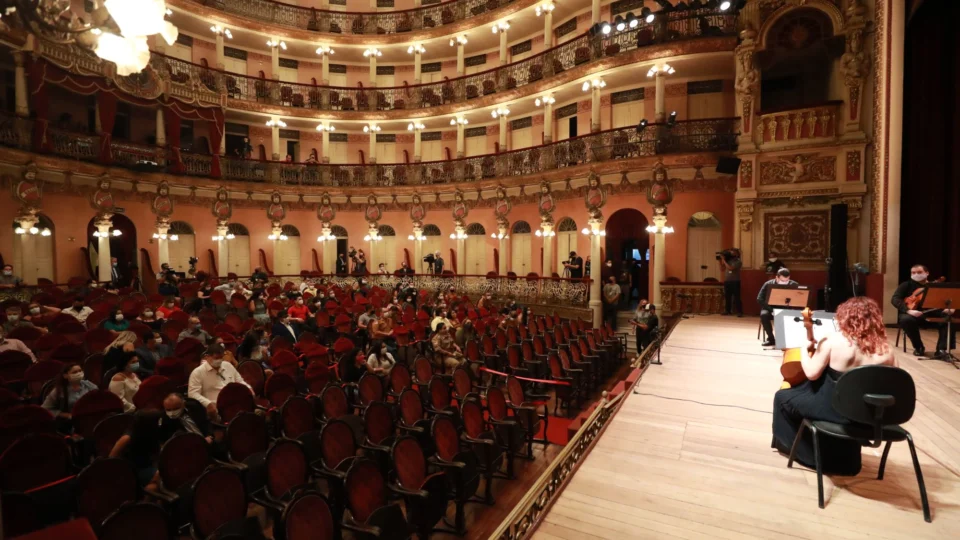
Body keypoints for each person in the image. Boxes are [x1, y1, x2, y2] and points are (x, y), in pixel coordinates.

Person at [772, 297, 897, 476]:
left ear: (844, 317)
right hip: (868, 414)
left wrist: (802, 349)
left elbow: (811, 373)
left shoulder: (833, 341)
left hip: (834, 409)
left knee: (783, 398)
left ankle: (808, 455)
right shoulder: (887, 349)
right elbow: (895, 380)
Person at [892, 264, 957, 357]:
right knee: (906, 320)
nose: (916, 274)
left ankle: (941, 350)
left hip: (934, 313)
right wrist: (908, 311)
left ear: (927, 273)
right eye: (913, 273)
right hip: (913, 314)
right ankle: (918, 347)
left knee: (950, 320)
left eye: (919, 272)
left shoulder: (936, 286)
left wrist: (951, 307)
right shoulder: (906, 285)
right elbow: (895, 299)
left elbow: (948, 299)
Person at [187, 344, 251, 420]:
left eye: (221, 358)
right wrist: (208, 403)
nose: (219, 360)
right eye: (216, 358)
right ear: (207, 357)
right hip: (216, 409)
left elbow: (240, 381)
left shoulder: (228, 365)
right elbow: (192, 394)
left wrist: (249, 388)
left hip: (235, 404)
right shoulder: (198, 372)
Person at [757, 268, 799, 347]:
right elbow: (759, 298)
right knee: (764, 315)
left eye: (787, 280)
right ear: (777, 277)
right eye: (782, 281)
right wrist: (771, 309)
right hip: (770, 308)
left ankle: (787, 339)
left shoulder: (793, 284)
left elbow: (798, 299)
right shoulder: (768, 284)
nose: (785, 282)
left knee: (796, 315)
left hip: (786, 308)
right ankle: (771, 339)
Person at [720, 248, 743, 316]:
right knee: (727, 296)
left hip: (735, 281)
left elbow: (730, 268)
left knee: (737, 297)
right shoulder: (728, 261)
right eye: (731, 252)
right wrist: (720, 261)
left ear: (737, 254)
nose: (731, 253)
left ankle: (739, 312)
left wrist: (724, 260)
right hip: (727, 281)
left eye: (733, 252)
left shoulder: (738, 261)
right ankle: (727, 310)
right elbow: (722, 269)